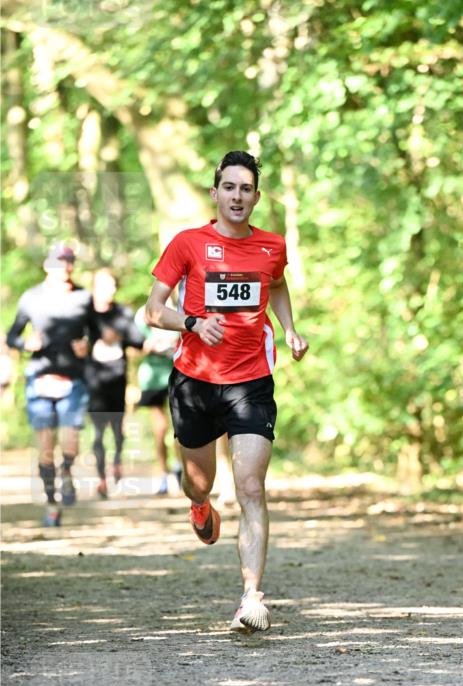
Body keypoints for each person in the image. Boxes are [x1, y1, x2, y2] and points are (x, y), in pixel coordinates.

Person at [145, 150, 308, 633]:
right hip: (194, 382)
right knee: (199, 481)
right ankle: (198, 504)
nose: (238, 196)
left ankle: (251, 596)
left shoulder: (272, 245)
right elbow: (153, 310)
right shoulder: (188, 244)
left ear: (256, 197)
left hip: (251, 381)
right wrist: (193, 322)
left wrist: (290, 329)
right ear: (215, 193)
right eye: (230, 187)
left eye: (247, 189)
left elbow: (275, 285)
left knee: (252, 487)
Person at [6, 242, 95, 526]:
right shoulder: (31, 298)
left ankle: (67, 472)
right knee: (45, 445)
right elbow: (12, 336)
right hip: (40, 378)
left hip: (73, 378)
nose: (66, 266)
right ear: (47, 265)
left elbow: (96, 332)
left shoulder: (83, 297)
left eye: (70, 261)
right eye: (60, 261)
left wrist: (88, 345)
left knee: (70, 442)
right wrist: (24, 343)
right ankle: (52, 503)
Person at [87, 269, 144, 498]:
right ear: (95, 287)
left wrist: (117, 336)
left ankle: (118, 461)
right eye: (104, 285)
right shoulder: (86, 313)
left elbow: (138, 340)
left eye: (112, 285)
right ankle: (102, 478)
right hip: (94, 379)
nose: (109, 290)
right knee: (98, 432)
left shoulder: (122, 312)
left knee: (117, 430)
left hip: (117, 378)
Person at [134, 302, 181, 495]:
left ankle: (180, 469)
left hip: (178, 373)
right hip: (152, 377)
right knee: (160, 429)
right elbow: (136, 347)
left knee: (180, 428)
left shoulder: (183, 308)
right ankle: (163, 474)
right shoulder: (143, 313)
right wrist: (149, 347)